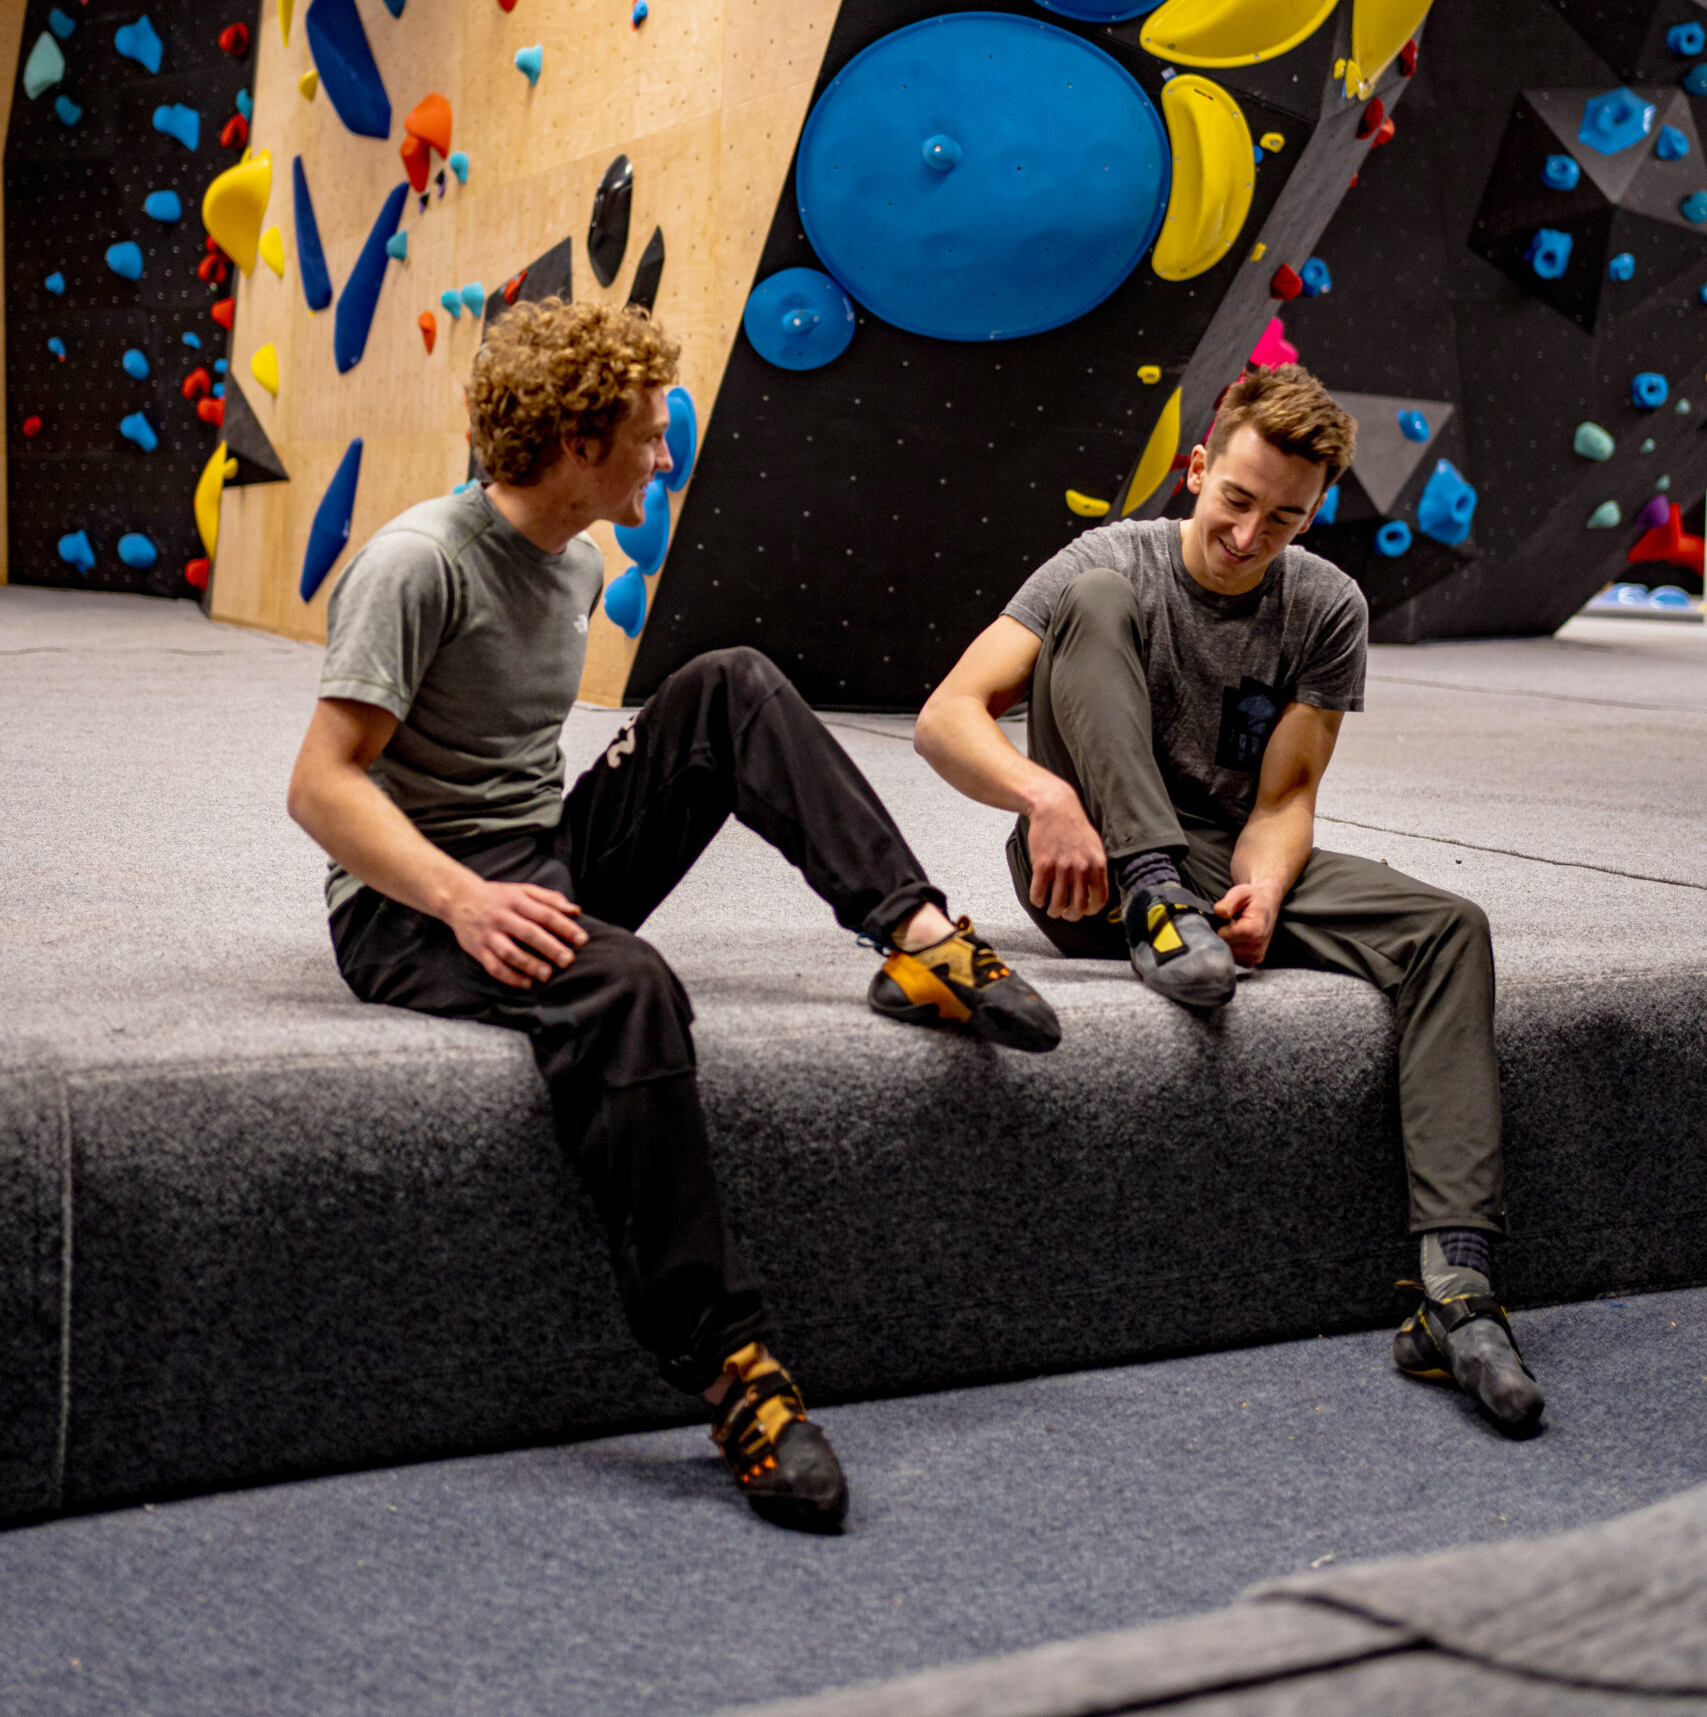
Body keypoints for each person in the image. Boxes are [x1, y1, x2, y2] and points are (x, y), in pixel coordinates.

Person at [287, 297, 1058, 1537]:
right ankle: (732, 1366)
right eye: (648, 435)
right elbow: (320, 786)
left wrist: (533, 873)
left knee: (729, 683)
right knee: (625, 980)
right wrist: (463, 900)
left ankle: (914, 934)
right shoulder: (417, 562)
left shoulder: (579, 558)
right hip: (411, 903)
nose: (665, 455)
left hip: (535, 859)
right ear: (579, 441)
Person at [914, 362, 1544, 1436]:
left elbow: (1289, 793)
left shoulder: (1325, 604)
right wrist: (1043, 794)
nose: (1250, 536)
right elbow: (948, 715)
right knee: (1096, 605)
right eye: (1236, 501)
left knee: (1450, 931)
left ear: (1315, 512)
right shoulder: (1108, 557)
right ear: (1198, 470)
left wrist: (1263, 884)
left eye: (1284, 518)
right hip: (1093, 863)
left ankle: (1458, 1290)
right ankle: (1155, 900)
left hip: (1214, 860)